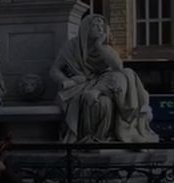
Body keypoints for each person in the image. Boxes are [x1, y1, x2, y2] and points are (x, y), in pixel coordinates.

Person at [50, 14, 158, 143]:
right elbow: (54, 70)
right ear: (86, 28)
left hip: (103, 82)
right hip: (81, 84)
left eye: (101, 25)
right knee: (103, 103)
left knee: (127, 73)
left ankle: (101, 93)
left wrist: (100, 47)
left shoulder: (104, 47)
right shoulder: (71, 46)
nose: (100, 28)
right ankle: (98, 134)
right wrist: (66, 81)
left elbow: (118, 66)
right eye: (95, 25)